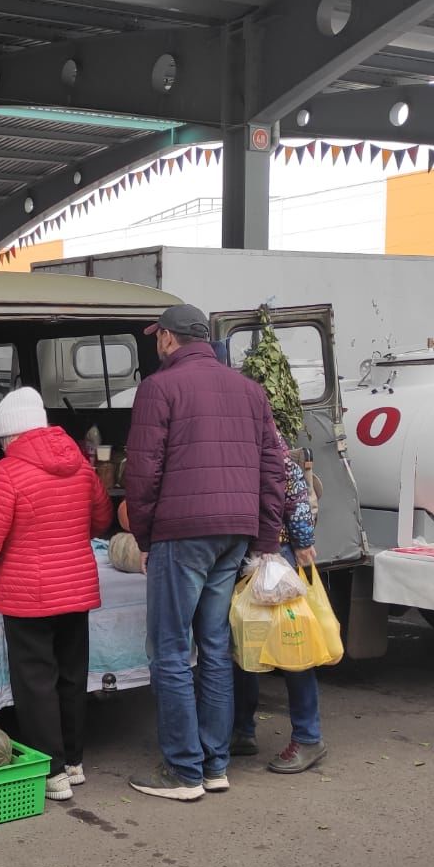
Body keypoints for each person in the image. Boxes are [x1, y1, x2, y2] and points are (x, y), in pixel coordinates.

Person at [124, 304, 287, 802]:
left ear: (169, 339)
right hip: (234, 533)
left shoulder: (158, 387)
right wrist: (263, 540)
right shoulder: (249, 390)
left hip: (181, 532)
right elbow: (273, 467)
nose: (158, 343)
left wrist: (146, 538)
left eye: (158, 336)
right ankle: (215, 764)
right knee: (215, 647)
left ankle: (183, 770)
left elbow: (142, 471)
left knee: (171, 651)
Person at [0, 387, 112, 802]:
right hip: (77, 589)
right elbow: (101, 520)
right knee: (72, 675)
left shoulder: (6, 474)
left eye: (2, 440)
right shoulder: (80, 465)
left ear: (11, 435)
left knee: (36, 681)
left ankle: (52, 771)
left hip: (28, 596)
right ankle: (74, 761)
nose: (2, 447)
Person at [231, 432, 325, 773]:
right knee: (244, 645)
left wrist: (301, 541)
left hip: (276, 557)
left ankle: (308, 736)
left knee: (291, 647)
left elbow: (297, 495)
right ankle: (241, 730)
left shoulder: (270, 446)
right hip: (244, 554)